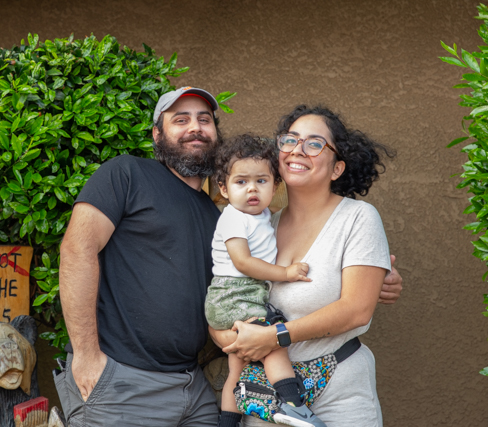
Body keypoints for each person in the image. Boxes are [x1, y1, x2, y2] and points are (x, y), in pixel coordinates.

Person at [54, 87, 403, 427]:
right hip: (142, 384)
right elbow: (76, 250)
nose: (195, 127)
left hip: (221, 388)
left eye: (205, 119)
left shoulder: (232, 218)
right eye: (181, 119)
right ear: (157, 135)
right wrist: (85, 357)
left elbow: (350, 304)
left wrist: (374, 281)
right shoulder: (133, 176)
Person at [211, 105, 396, 427]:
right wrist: (224, 334)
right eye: (290, 140)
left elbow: (356, 310)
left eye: (314, 144)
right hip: (265, 397)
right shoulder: (260, 226)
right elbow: (231, 292)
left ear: (337, 168)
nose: (298, 150)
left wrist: (275, 336)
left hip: (339, 389)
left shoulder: (357, 218)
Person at [206, 134, 325, 427]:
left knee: (238, 369)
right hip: (234, 295)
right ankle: (292, 404)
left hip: (241, 296)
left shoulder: (262, 217)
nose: (252, 189)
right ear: (223, 188)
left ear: (275, 186)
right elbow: (242, 261)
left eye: (261, 181)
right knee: (273, 341)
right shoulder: (233, 217)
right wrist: (286, 273)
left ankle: (228, 422)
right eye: (241, 182)